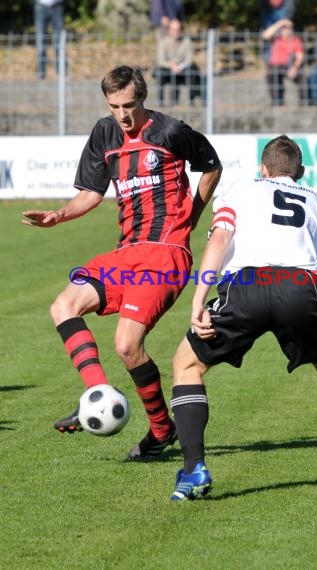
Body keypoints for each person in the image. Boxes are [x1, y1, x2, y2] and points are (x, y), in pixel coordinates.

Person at [168, 134, 317, 501]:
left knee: (186, 364)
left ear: (263, 168)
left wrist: (199, 298)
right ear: (302, 172)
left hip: (246, 286)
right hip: (301, 289)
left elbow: (218, 241)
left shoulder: (242, 189)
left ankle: (194, 470)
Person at [22, 65, 222, 460]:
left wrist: (193, 216)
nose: (122, 115)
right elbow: (91, 193)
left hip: (165, 254)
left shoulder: (170, 132)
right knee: (63, 306)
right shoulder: (104, 133)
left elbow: (211, 166)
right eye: (114, 106)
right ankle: (97, 395)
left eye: (129, 105)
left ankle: (161, 430)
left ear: (142, 99)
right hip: (125, 253)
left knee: (127, 345)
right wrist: (59, 215)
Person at [154, 18, 205, 106]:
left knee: (193, 70)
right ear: (169, 30)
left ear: (181, 30)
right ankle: (161, 102)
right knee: (159, 72)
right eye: (174, 30)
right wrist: (171, 65)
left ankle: (191, 101)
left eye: (178, 29)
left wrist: (180, 67)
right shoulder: (163, 42)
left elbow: (189, 59)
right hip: (168, 68)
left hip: (183, 69)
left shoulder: (187, 42)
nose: (176, 32)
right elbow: (160, 60)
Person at [261, 18, 306, 105]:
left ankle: (304, 102)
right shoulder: (275, 38)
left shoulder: (296, 40)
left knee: (302, 76)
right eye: (284, 28)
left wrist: (294, 68)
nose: (286, 30)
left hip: (289, 66)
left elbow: (300, 56)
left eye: (288, 28)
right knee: (272, 75)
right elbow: (265, 35)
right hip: (275, 66)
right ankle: (277, 101)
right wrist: (280, 23)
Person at [34, 0, 65, 79]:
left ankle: (61, 72)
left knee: (60, 43)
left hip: (57, 6)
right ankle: (41, 73)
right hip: (41, 6)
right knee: (40, 43)